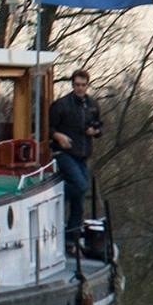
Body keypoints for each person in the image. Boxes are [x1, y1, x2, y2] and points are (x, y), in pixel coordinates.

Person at [49, 68, 104, 242]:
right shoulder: (61, 105)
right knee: (81, 186)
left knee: (79, 202)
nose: (80, 88)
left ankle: (70, 239)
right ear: (72, 85)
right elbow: (47, 128)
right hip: (63, 153)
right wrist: (58, 136)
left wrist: (94, 131)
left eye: (83, 85)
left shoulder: (93, 105)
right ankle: (52, 196)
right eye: (77, 85)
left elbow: (100, 127)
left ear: (87, 86)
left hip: (83, 154)